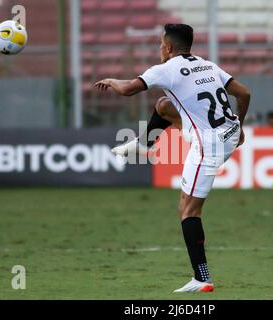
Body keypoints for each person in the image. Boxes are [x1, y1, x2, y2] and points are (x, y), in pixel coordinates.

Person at [95, 24, 251, 292]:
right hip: (229, 131)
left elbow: (129, 89)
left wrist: (112, 81)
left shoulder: (166, 69)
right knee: (164, 106)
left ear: (167, 47)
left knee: (188, 210)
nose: (159, 48)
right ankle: (144, 144)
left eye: (160, 44)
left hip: (209, 146)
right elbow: (244, 93)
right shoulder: (207, 65)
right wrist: (241, 126)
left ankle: (202, 278)